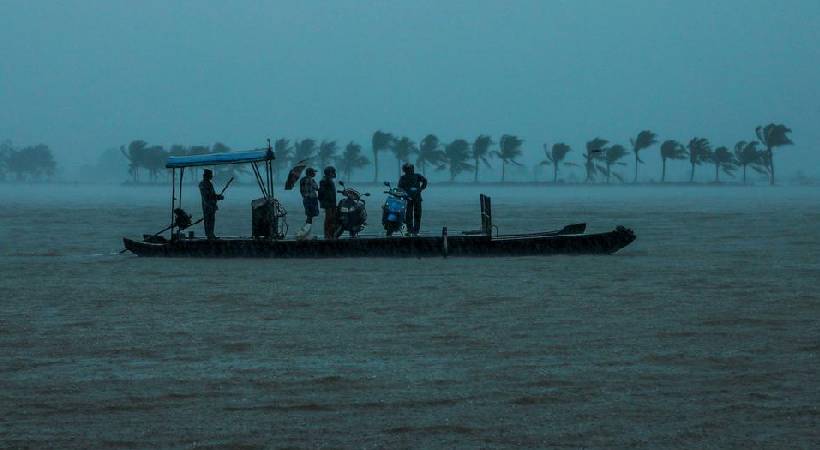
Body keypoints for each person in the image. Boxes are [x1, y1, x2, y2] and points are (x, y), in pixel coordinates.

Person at [398, 163, 427, 235]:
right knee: (409, 215)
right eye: (407, 169)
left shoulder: (417, 176)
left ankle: (416, 230)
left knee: (417, 214)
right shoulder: (403, 178)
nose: (409, 170)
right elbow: (400, 187)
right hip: (408, 198)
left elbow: (425, 181)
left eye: (410, 169)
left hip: (417, 198)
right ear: (405, 170)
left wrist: (421, 189)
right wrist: (404, 193)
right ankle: (410, 230)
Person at [199, 169, 224, 239]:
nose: (212, 176)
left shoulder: (209, 183)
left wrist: (217, 196)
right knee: (208, 220)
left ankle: (211, 234)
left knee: (211, 220)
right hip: (207, 205)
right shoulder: (203, 184)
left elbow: (212, 194)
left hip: (211, 205)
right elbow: (207, 196)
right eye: (210, 175)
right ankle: (209, 235)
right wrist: (217, 197)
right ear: (206, 176)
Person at [296, 167, 319, 239]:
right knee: (310, 216)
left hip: (306, 199)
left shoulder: (302, 180)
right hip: (311, 199)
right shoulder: (310, 180)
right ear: (310, 173)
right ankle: (304, 233)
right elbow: (316, 187)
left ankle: (306, 233)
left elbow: (302, 191)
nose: (315, 173)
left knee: (309, 216)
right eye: (314, 172)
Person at [318, 166, 338, 239]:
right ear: (329, 172)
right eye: (333, 172)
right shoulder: (324, 180)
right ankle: (327, 234)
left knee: (332, 218)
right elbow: (322, 192)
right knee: (328, 218)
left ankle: (330, 233)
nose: (334, 174)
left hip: (332, 202)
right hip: (328, 203)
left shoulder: (329, 180)